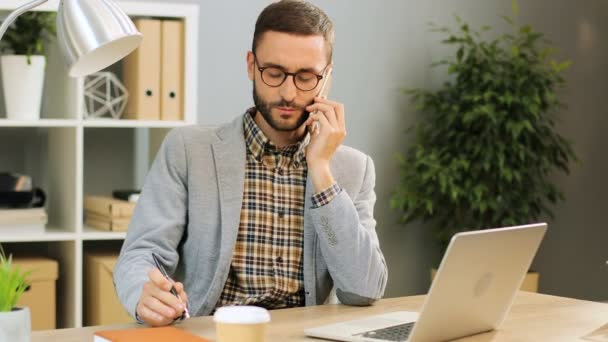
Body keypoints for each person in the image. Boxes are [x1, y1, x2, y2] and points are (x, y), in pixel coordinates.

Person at [114, 0, 387, 327]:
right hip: (215, 332)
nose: (288, 93)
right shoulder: (188, 150)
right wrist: (142, 292)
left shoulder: (354, 169)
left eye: (306, 77)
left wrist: (321, 171)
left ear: (326, 77)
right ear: (250, 65)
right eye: (274, 73)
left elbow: (364, 289)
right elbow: (141, 254)